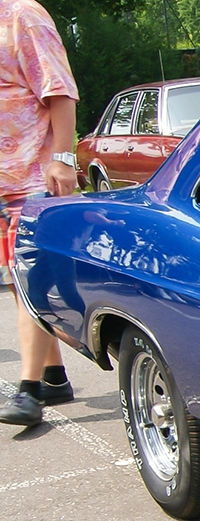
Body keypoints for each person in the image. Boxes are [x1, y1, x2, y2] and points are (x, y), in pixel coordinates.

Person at [0, 0, 79, 428]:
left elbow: (59, 89)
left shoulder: (21, 15)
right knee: (19, 283)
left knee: (32, 279)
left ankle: (28, 390)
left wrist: (62, 158)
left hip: (31, 179)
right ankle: (54, 376)